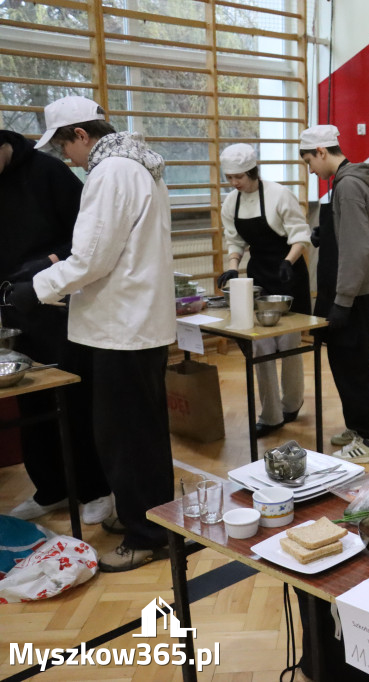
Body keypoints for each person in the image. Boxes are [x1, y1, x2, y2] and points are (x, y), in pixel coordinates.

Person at [1, 96, 176, 572]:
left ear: (80, 134)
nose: (66, 160)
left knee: (126, 437)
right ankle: (150, 517)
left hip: (122, 328)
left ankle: (146, 536)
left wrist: (33, 288)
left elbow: (90, 258)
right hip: (133, 324)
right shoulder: (137, 163)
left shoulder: (111, 171)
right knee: (139, 432)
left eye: (65, 148)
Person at [0, 129, 113, 526]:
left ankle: (95, 488)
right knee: (31, 401)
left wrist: (45, 264)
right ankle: (50, 488)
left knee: (74, 399)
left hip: (58, 304)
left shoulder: (48, 172)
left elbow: (86, 243)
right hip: (13, 309)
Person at [299, 125, 369, 464]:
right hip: (344, 296)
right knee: (343, 365)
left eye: (309, 162)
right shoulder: (342, 183)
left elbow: (358, 250)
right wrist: (325, 233)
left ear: (321, 152)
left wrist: (343, 301)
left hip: (351, 298)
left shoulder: (347, 185)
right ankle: (356, 427)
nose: (311, 170)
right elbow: (347, 235)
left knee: (354, 367)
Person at [217, 143, 312, 438]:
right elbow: (235, 241)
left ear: (252, 172)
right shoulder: (230, 203)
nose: (234, 184)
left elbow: (300, 234)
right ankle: (270, 414)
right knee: (261, 346)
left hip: (288, 274)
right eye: (229, 178)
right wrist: (234, 265)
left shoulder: (278, 195)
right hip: (259, 274)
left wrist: (288, 262)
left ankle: (292, 403)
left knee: (288, 344)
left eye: (239, 178)